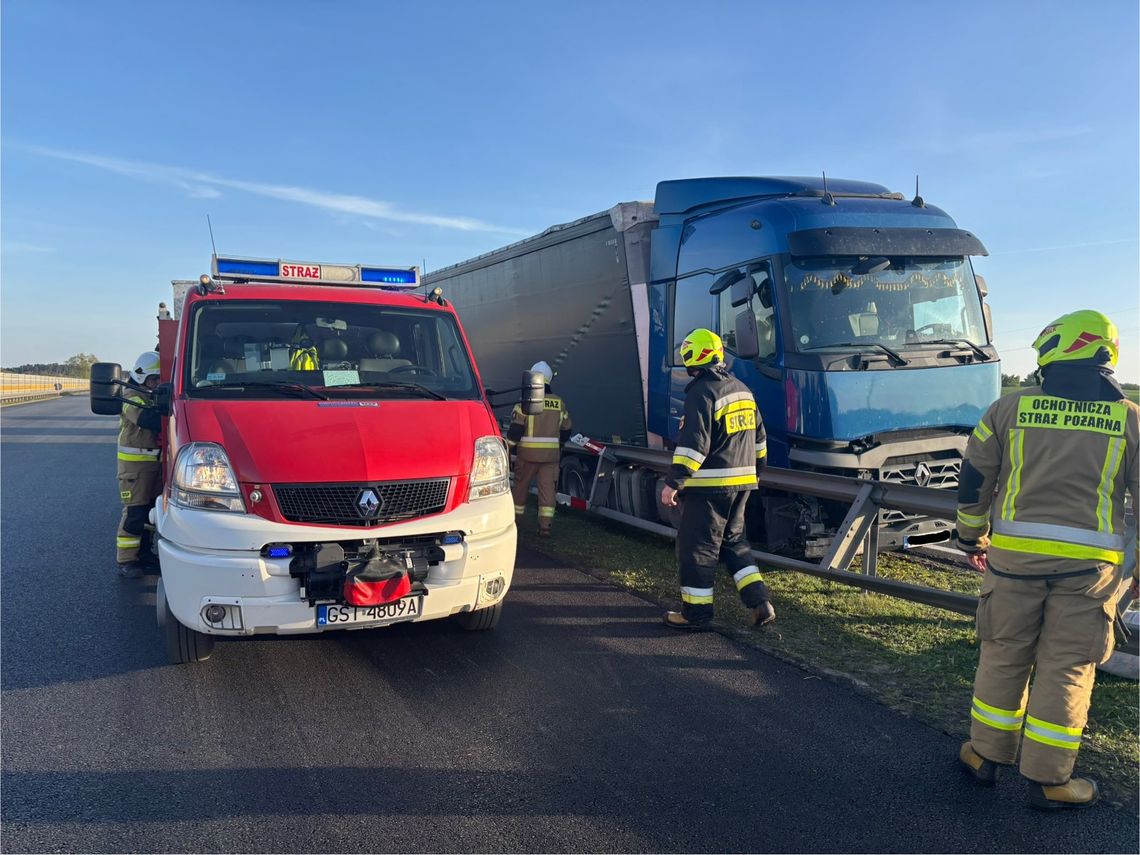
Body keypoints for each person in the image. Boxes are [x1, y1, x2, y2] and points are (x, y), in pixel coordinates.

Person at [954, 310, 1138, 811]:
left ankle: (984, 756)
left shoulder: (1007, 409)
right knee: (1068, 666)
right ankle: (1051, 782)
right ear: (1106, 353)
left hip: (1013, 563)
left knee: (1003, 651)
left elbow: (974, 480)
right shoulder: (1131, 419)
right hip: (1089, 574)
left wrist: (972, 536)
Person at [660, 329, 775, 630]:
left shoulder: (701, 393)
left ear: (691, 357)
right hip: (742, 485)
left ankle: (695, 614)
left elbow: (693, 446)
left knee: (697, 548)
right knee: (735, 543)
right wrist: (755, 476)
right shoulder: (743, 390)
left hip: (708, 488)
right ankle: (760, 603)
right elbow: (761, 442)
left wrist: (674, 482)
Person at [506, 360, 572, 536]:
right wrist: (560, 446)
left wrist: (508, 449)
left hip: (527, 455)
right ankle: (545, 526)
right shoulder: (559, 403)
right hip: (550, 457)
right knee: (547, 490)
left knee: (520, 488)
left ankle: (515, 523)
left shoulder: (526, 402)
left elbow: (515, 431)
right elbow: (566, 429)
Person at [116, 351, 164, 578]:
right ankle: (127, 560)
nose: (156, 384)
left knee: (150, 515)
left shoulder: (151, 396)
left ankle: (145, 554)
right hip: (134, 469)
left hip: (153, 466)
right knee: (135, 514)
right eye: (154, 380)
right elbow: (146, 419)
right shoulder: (131, 397)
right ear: (142, 377)